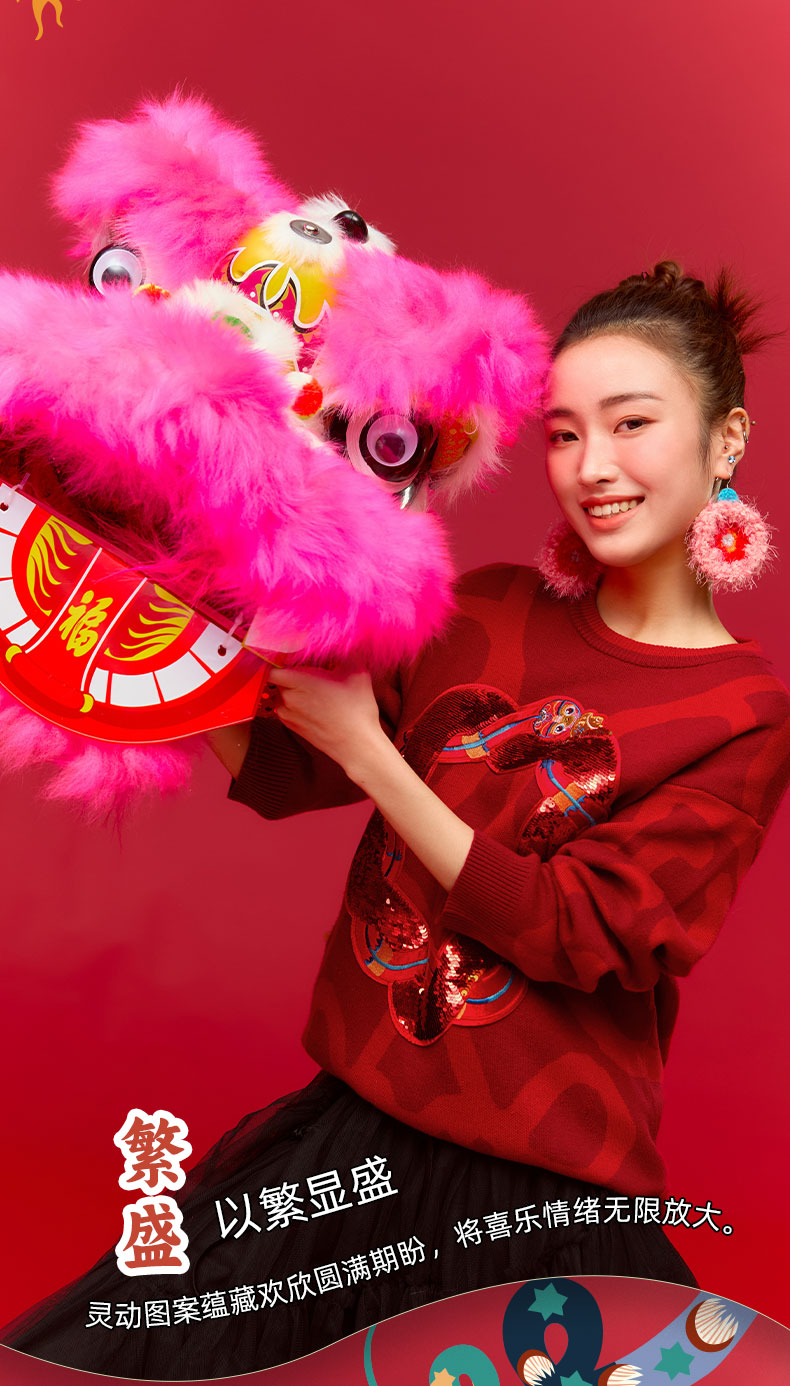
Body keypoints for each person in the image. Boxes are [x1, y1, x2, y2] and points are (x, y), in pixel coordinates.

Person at [5, 262, 790, 1379]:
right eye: (564, 434)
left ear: (725, 440)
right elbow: (287, 766)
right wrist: (160, 600)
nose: (593, 466)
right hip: (357, 1146)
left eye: (631, 424)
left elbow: (584, 930)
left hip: (541, 1196)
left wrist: (370, 753)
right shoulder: (484, 608)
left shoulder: (740, 713)